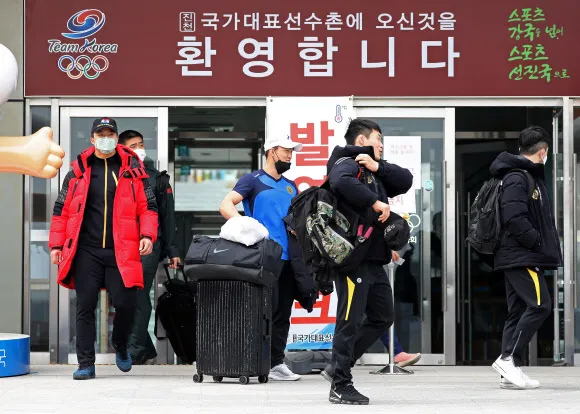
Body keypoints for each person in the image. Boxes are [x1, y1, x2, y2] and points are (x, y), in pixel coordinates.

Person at [49, 117, 158, 380]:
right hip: (86, 250)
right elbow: (61, 210)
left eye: (110, 134)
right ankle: (85, 363)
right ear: (92, 139)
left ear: (116, 138)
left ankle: (119, 344)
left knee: (127, 304)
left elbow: (148, 207)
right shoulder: (78, 171)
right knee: (85, 306)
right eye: (101, 134)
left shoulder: (133, 170)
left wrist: (147, 235)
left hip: (122, 249)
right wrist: (56, 244)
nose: (105, 138)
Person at [321, 119, 413, 405]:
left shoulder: (372, 168)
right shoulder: (346, 163)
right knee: (348, 321)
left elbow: (406, 180)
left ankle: (337, 366)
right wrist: (375, 202)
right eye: (378, 139)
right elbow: (340, 182)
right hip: (353, 260)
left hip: (374, 260)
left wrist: (378, 166)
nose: (381, 145)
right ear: (361, 141)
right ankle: (340, 385)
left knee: (383, 316)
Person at [219, 135, 307, 381]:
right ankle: (252, 360)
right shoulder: (253, 180)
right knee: (261, 311)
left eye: (292, 151)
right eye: (286, 150)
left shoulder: (291, 186)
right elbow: (226, 205)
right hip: (263, 257)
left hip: (289, 259)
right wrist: (248, 229)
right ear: (272, 151)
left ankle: (276, 363)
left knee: (282, 313)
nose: (290, 155)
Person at [490, 126, 562, 389]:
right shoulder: (518, 177)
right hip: (522, 256)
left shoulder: (523, 175)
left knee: (519, 310)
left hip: (519, 255)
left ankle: (509, 372)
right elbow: (514, 218)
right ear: (543, 152)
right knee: (540, 305)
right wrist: (537, 242)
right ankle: (508, 359)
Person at [119, 130, 181, 365]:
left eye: (141, 144)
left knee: (138, 293)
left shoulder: (157, 179)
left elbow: (168, 217)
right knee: (124, 295)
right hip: (122, 245)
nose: (139, 149)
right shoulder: (117, 175)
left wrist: (172, 250)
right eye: (133, 145)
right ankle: (144, 347)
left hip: (149, 245)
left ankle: (135, 349)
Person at [379, 250, 421, 368]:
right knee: (376, 318)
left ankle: (397, 352)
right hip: (359, 274)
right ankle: (342, 357)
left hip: (371, 274)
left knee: (380, 318)